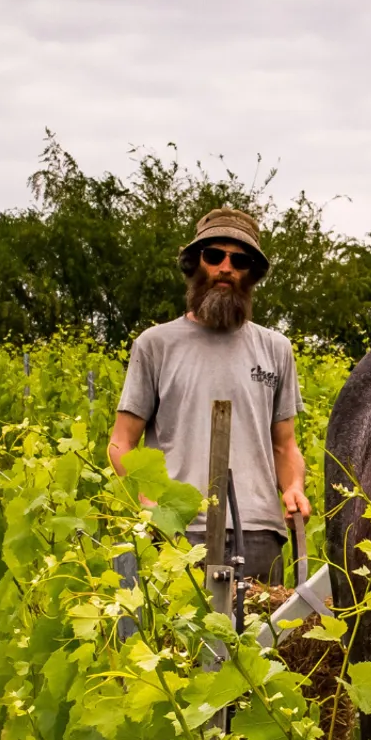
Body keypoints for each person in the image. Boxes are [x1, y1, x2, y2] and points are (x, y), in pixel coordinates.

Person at [108, 207, 309, 584]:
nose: (226, 268)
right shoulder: (156, 344)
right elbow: (121, 442)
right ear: (195, 263)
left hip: (259, 531)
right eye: (215, 256)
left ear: (251, 273)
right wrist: (151, 503)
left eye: (240, 260)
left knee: (263, 640)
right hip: (179, 529)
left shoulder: (276, 348)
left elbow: (285, 447)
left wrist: (294, 487)